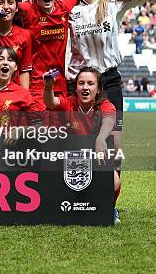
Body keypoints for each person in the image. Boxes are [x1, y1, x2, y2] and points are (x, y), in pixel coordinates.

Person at [67, 0, 156, 180]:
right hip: (85, 82)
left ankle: (112, 198)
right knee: (86, 138)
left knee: (114, 138)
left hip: (109, 80)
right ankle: (87, 194)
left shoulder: (112, 4)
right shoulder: (72, 11)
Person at [44, 67, 121, 224]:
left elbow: (109, 121)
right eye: (81, 83)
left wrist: (100, 138)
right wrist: (48, 86)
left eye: (90, 84)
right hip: (69, 160)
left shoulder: (106, 105)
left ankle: (109, 208)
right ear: (76, 87)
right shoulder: (69, 103)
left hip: (95, 159)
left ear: (98, 89)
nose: (85, 87)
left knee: (114, 182)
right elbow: (51, 102)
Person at [17, 0, 81, 109]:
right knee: (39, 129)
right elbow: (5, 5)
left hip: (60, 85)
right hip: (36, 85)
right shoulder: (26, 8)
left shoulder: (64, 3)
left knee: (60, 129)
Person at [0, 47, 39, 144]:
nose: (5, 62)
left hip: (6, 150)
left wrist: (20, 130)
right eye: (0, 59)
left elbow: (40, 126)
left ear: (16, 67)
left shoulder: (23, 94)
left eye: (10, 60)